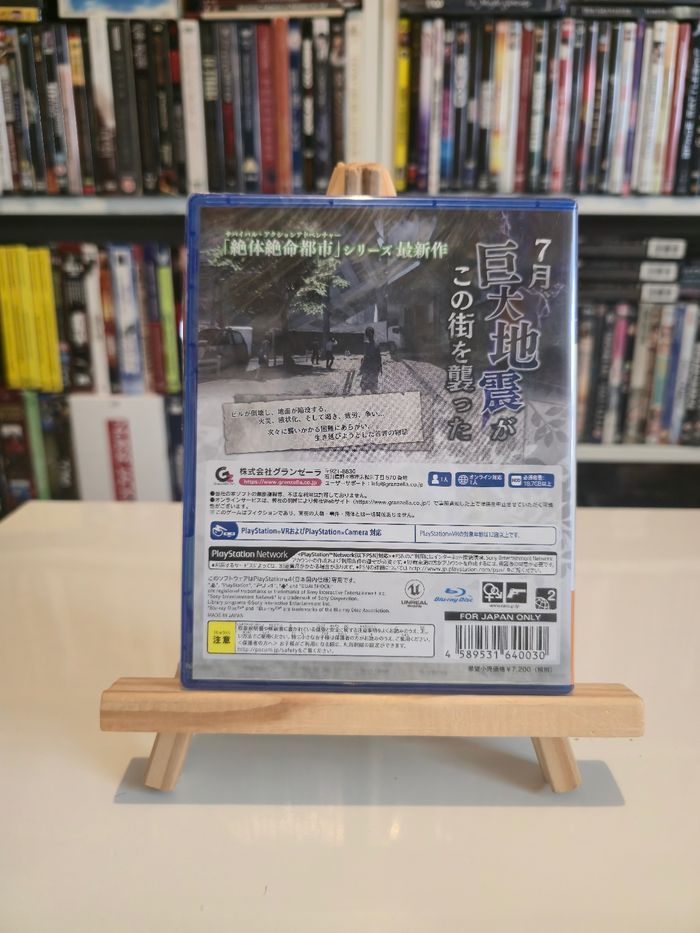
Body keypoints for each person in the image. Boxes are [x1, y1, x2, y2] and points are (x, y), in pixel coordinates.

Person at [359, 326, 382, 393]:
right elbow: (379, 357)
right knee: (373, 384)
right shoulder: (376, 344)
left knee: (364, 385)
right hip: (374, 366)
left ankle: (366, 391)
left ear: (366, 335)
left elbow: (364, 356)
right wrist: (380, 367)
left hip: (368, 365)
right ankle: (372, 390)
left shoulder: (366, 344)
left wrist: (361, 367)